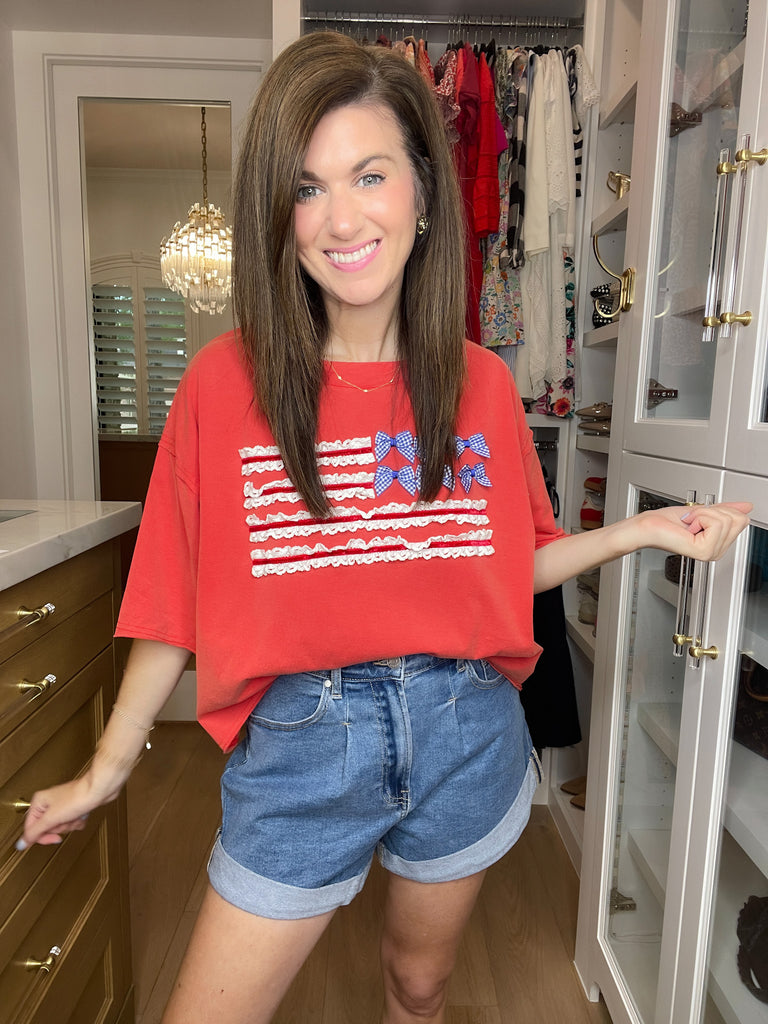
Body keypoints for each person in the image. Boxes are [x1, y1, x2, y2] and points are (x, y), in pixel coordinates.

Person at [19, 32, 750, 1024]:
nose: (342, 216)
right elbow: (174, 593)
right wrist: (107, 766)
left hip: (466, 732)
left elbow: (505, 563)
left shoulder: (482, 384)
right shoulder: (225, 384)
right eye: (308, 187)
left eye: (370, 174)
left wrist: (647, 531)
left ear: (424, 191)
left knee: (420, 985)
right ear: (278, 213)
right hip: (301, 745)